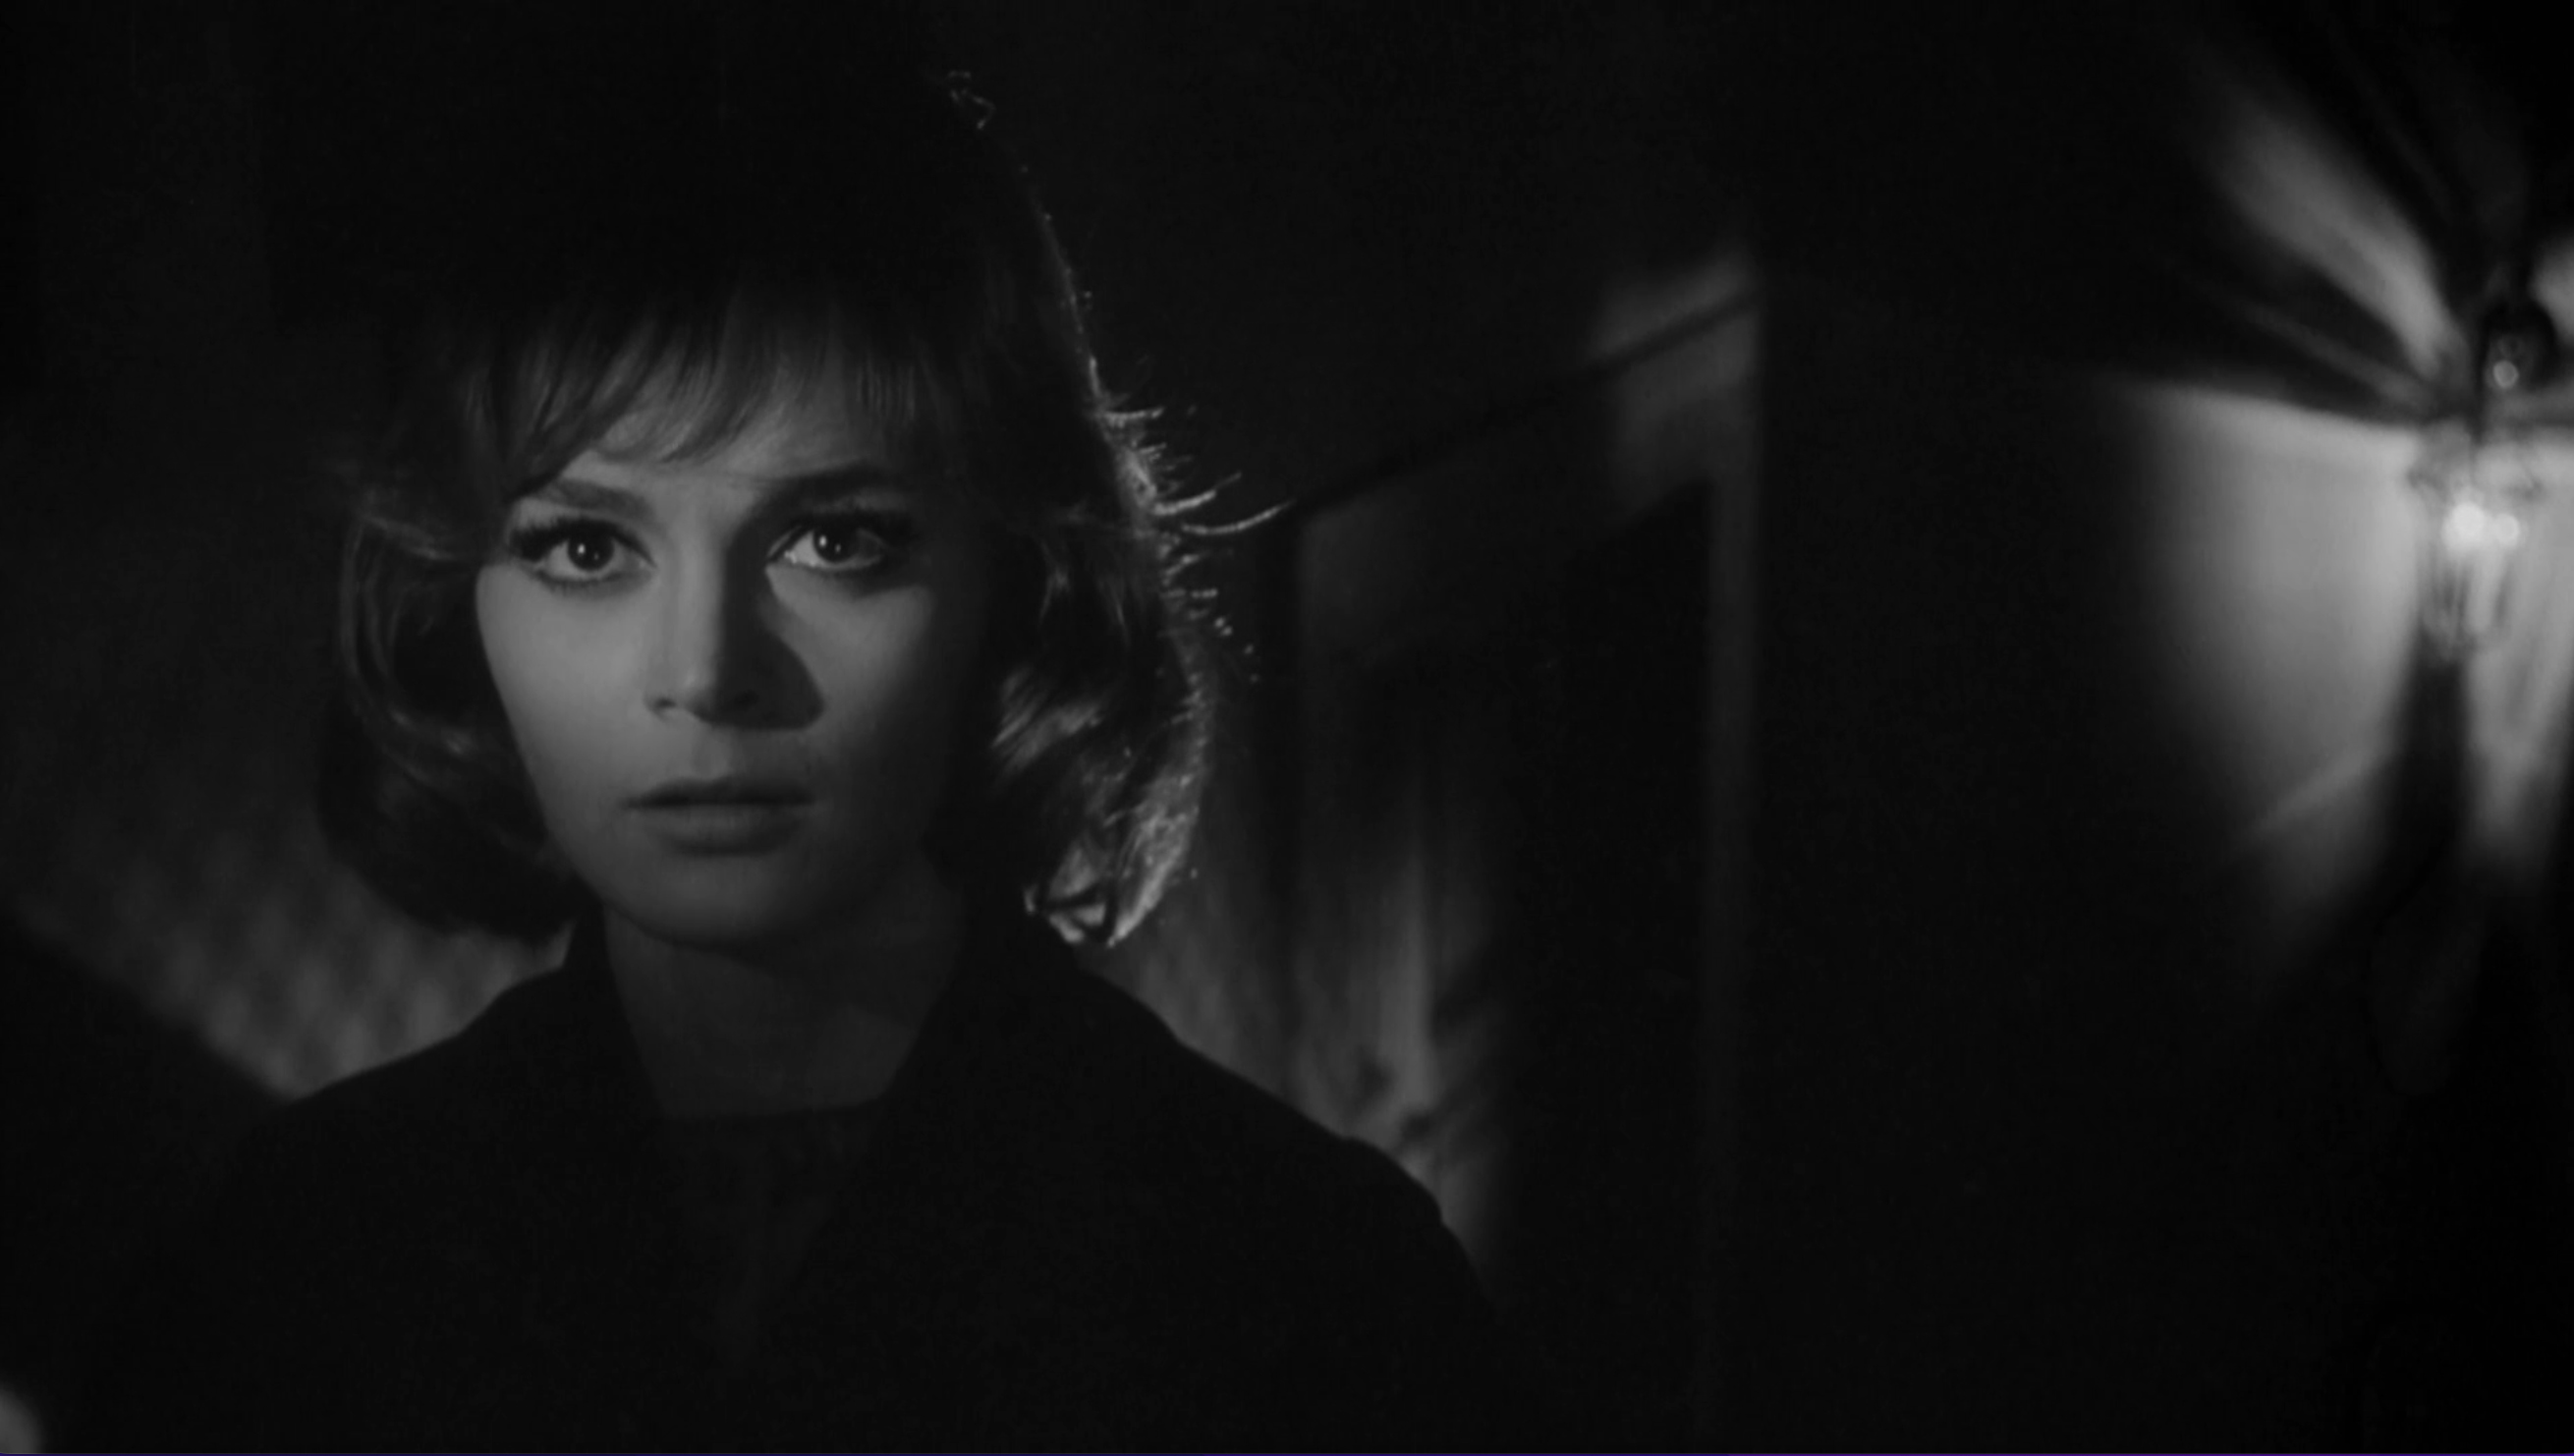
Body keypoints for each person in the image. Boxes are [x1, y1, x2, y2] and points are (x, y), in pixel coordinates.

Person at [70, 17, 1544, 1451]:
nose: (707, 673)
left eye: (835, 540)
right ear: (459, 593)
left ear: (1013, 578)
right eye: (587, 548)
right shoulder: (290, 1274)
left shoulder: (1312, 1291)